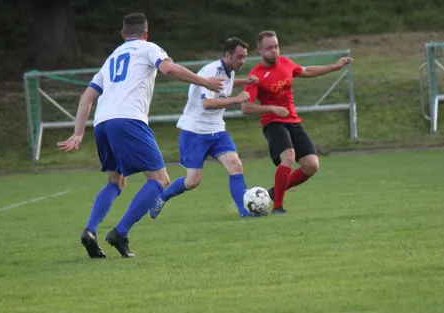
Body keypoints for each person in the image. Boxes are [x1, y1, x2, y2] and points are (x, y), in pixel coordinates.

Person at [57, 13, 224, 259]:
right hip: (128, 119)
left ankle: (90, 230)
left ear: (123, 35)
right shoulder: (149, 48)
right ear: (146, 33)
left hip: (103, 122)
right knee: (160, 179)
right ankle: (120, 233)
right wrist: (205, 82)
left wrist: (78, 133)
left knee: (116, 181)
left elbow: (87, 97)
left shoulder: (112, 57)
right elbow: (168, 68)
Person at [149, 37, 267, 219]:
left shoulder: (230, 70)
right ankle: (162, 197)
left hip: (217, 130)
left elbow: (225, 84)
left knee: (235, 165)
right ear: (227, 55)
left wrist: (245, 82)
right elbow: (207, 103)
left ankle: (245, 212)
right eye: (239, 57)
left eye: (244, 57)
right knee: (192, 181)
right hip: (195, 132)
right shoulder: (211, 71)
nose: (242, 61)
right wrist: (236, 100)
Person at [241, 31, 351, 214]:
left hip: (293, 121)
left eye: (276, 46)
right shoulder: (256, 75)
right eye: (269, 48)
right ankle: (277, 207)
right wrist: (271, 108)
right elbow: (246, 108)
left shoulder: (285, 63)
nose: (274, 51)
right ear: (260, 50)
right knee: (289, 156)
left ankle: (273, 192)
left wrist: (335, 67)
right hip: (273, 123)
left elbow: (307, 71)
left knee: (311, 165)